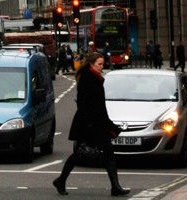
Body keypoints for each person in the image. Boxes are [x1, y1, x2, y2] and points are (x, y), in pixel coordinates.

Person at [52, 52, 130, 196]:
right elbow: (83, 103)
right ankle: (61, 180)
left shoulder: (96, 78)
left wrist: (108, 124)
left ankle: (115, 186)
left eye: (102, 64)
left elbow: (99, 106)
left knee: (106, 153)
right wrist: (90, 124)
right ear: (91, 64)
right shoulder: (88, 79)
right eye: (99, 64)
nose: (102, 67)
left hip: (96, 122)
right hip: (89, 124)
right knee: (81, 154)